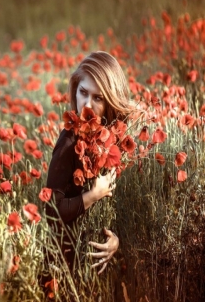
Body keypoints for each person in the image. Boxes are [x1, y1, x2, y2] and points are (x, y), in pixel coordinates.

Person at [45, 51, 134, 276]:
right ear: (75, 89)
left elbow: (114, 208)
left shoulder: (112, 141)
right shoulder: (68, 141)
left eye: (98, 98)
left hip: (97, 261)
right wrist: (94, 195)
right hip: (67, 264)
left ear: (110, 102)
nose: (87, 104)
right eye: (83, 92)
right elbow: (52, 209)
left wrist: (115, 241)